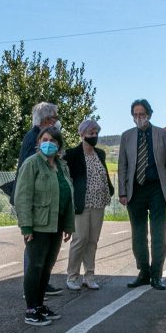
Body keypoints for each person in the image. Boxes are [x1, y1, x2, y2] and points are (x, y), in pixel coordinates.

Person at [13, 126, 75, 325]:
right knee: (35, 266)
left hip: (56, 223)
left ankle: (40, 306)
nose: (48, 143)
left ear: (59, 145)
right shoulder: (32, 164)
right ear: (39, 142)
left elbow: (67, 195)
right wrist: (26, 227)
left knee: (46, 267)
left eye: (53, 140)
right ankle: (31, 310)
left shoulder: (61, 166)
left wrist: (68, 225)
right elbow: (22, 196)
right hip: (38, 225)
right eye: (44, 139)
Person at [117, 99, 166, 290]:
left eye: (142, 114)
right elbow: (122, 165)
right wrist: (122, 192)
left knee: (158, 233)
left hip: (158, 189)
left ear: (149, 115)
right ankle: (143, 272)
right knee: (138, 234)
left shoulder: (162, 135)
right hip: (135, 190)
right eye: (135, 114)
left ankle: (157, 275)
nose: (138, 118)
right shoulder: (126, 136)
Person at [18, 102, 63, 296]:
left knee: (41, 252)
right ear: (46, 120)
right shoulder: (34, 138)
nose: (56, 122)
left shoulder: (39, 136)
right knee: (35, 250)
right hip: (36, 206)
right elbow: (30, 174)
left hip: (43, 205)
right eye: (54, 118)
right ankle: (32, 289)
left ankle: (40, 286)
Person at [64, 119, 114, 290]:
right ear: (82, 134)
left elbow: (103, 174)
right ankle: (72, 276)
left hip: (99, 202)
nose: (94, 136)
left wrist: (110, 189)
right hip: (81, 203)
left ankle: (89, 276)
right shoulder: (72, 154)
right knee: (80, 239)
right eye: (90, 133)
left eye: (96, 133)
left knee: (92, 240)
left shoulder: (100, 153)